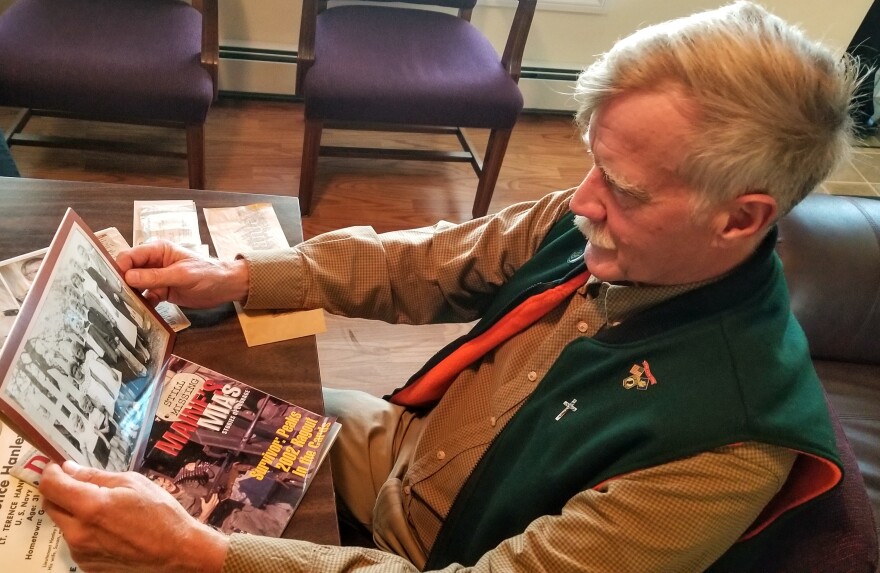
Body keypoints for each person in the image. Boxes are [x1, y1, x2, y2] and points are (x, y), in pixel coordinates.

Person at [38, 2, 859, 572]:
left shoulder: (724, 447)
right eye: (591, 162)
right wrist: (244, 273)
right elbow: (429, 261)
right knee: (157, 403)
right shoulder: (603, 223)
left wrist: (199, 553)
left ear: (739, 218)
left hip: (441, 554)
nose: (580, 202)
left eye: (627, 187)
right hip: (405, 449)